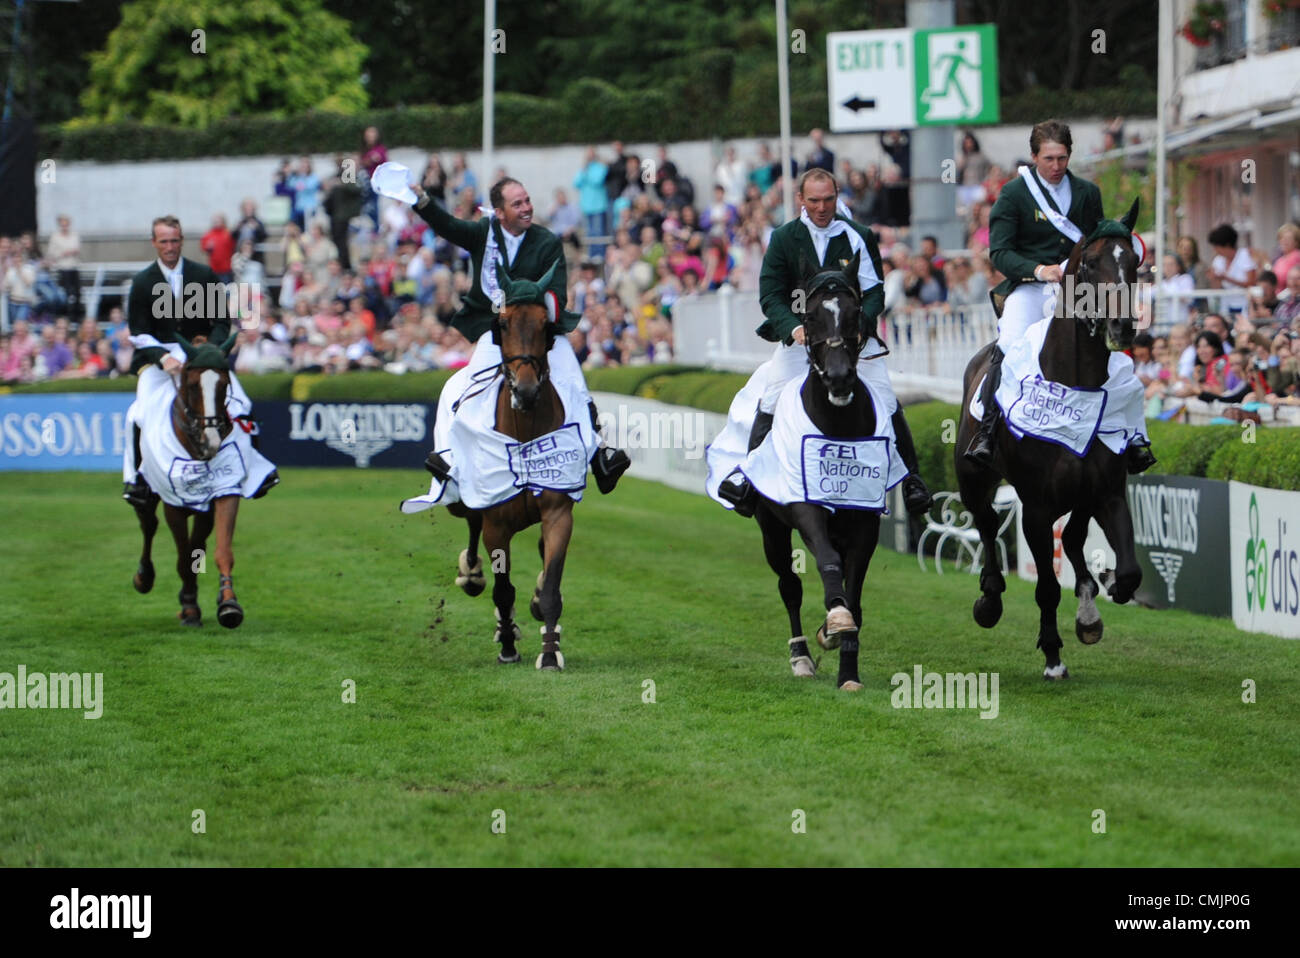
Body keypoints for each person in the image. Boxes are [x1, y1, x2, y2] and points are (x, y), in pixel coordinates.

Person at [715, 168, 933, 517]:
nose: (821, 207)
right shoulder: (785, 238)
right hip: (802, 338)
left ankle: (912, 481)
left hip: (850, 339)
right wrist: (792, 328)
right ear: (800, 199)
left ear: (837, 196)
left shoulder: (858, 235)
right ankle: (749, 479)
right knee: (771, 397)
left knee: (888, 399)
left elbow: (875, 291)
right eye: (813, 200)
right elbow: (770, 294)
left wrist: (862, 326)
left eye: (828, 199)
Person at [405, 174, 630, 493]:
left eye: (527, 200)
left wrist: (528, 301)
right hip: (496, 331)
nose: (527, 207)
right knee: (461, 390)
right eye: (517, 203)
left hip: (541, 332)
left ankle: (599, 455)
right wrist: (422, 200)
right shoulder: (484, 233)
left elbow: (556, 295)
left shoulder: (547, 241)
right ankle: (451, 462)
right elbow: (447, 226)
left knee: (576, 386)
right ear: (499, 213)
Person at [965, 118, 1156, 473]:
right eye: (1049, 159)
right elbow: (1001, 252)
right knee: (1008, 347)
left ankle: (1133, 437)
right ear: (1034, 156)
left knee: (1114, 356)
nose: (1056, 167)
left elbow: (1097, 243)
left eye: (1062, 158)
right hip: (1029, 286)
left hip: (1077, 288)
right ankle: (988, 430)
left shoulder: (1086, 192)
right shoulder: (1014, 194)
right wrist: (1040, 270)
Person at [122, 216, 274, 506]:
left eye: (174, 240)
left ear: (182, 241)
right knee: (136, 415)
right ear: (154, 243)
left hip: (202, 355)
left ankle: (256, 469)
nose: (169, 246)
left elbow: (220, 321)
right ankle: (136, 479)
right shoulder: (142, 282)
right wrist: (162, 356)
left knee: (241, 403)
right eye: (163, 241)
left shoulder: (204, 274)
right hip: (159, 358)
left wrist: (210, 350)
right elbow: (138, 332)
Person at [1207, 223, 1257, 316]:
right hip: (1226, 304)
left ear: (1227, 245)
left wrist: (1226, 278)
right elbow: (1216, 288)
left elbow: (1251, 282)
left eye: (1217, 246)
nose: (1215, 249)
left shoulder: (1244, 255)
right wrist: (1214, 278)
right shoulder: (1218, 260)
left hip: (1244, 303)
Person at [46, 215, 81, 319]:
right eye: (62, 225)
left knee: (77, 292)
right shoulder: (55, 237)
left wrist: (65, 252)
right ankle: (65, 315)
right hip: (62, 268)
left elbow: (77, 249)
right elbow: (52, 253)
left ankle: (76, 315)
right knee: (66, 293)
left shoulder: (74, 235)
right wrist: (65, 253)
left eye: (66, 224)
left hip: (74, 267)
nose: (64, 227)